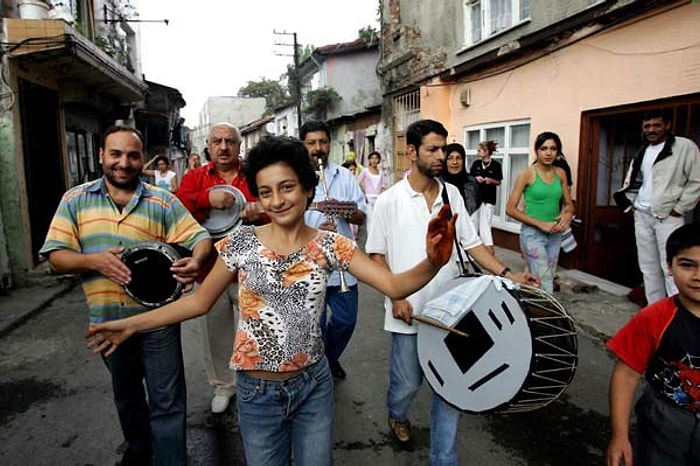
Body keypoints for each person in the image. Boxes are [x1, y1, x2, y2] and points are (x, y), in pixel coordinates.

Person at [85, 135, 458, 466]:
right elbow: (198, 303)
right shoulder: (241, 243)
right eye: (266, 192)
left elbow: (394, 286)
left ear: (307, 189)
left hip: (313, 386)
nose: (277, 201)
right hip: (256, 392)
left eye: (287, 188)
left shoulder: (331, 245)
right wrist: (131, 324)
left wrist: (433, 261)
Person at [366, 119, 539, 465]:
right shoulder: (389, 201)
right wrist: (396, 297)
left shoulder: (452, 194)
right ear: (412, 152)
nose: (442, 155)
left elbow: (472, 244)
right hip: (409, 312)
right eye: (433, 149)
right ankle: (396, 413)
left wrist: (508, 273)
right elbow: (376, 256)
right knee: (406, 385)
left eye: (444, 148)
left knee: (450, 389)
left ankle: (443, 459)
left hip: (454, 313)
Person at [39, 125, 212, 466]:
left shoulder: (161, 200)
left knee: (167, 400)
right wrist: (94, 261)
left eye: (132, 155)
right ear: (101, 156)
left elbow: (199, 236)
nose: (123, 163)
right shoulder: (74, 201)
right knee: (127, 395)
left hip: (157, 321)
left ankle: (171, 460)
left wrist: (197, 259)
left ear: (142, 160)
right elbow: (56, 257)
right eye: (115, 154)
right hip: (107, 322)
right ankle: (138, 449)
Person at [177, 122, 267, 414]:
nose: (224, 146)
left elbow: (275, 207)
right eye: (217, 141)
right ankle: (223, 385)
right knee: (215, 332)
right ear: (209, 146)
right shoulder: (195, 177)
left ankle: (258, 381)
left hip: (251, 269)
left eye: (230, 141)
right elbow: (177, 211)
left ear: (239, 146)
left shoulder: (253, 175)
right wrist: (206, 198)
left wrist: (258, 213)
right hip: (210, 270)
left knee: (257, 328)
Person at [606, 222, 700, 466]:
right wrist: (619, 436)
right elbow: (626, 375)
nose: (698, 276)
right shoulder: (654, 318)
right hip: (663, 424)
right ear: (669, 266)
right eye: (687, 265)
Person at [301, 121, 368, 380]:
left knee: (346, 321)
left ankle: (329, 358)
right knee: (313, 327)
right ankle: (321, 369)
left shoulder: (345, 175)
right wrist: (316, 212)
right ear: (303, 145)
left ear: (330, 144)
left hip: (342, 263)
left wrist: (343, 209)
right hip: (308, 262)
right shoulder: (293, 177)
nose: (318, 148)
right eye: (312, 143)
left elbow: (361, 217)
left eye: (323, 142)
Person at [614, 109, 700, 306]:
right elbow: (634, 181)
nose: (651, 130)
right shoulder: (643, 150)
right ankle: (656, 311)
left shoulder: (683, 147)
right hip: (642, 215)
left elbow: (696, 181)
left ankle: (679, 313)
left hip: (667, 217)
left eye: (656, 125)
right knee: (648, 267)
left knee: (671, 266)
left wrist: (679, 208)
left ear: (667, 125)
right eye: (647, 126)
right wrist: (631, 206)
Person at [506, 131, 575, 294]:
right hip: (532, 235)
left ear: (558, 152)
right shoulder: (527, 174)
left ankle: (528, 311)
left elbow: (569, 203)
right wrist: (540, 223)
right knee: (544, 282)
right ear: (536, 150)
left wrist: (567, 214)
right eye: (544, 148)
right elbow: (510, 209)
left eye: (553, 148)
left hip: (555, 234)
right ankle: (549, 317)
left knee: (545, 277)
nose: (549, 153)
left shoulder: (560, 173)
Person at [470, 140, 502, 255]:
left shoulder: (496, 165)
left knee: (486, 225)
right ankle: (474, 249)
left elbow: (498, 182)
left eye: (480, 150)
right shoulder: (476, 164)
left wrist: (490, 180)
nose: (477, 152)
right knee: (474, 222)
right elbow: (470, 178)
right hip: (476, 198)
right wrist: (476, 178)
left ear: (487, 151)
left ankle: (488, 250)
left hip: (489, 199)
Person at [442, 143, 482, 228]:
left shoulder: (472, 184)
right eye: (450, 158)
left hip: (469, 234)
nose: (455, 162)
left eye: (458, 158)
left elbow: (480, 216)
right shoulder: (437, 184)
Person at [357, 151, 386, 234]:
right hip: (368, 199)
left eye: (376, 158)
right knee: (370, 219)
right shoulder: (365, 171)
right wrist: (363, 195)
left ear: (379, 160)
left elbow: (383, 186)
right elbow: (357, 183)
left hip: (378, 199)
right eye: (372, 158)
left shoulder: (381, 173)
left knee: (378, 219)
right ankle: (370, 240)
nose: (374, 160)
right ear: (369, 160)